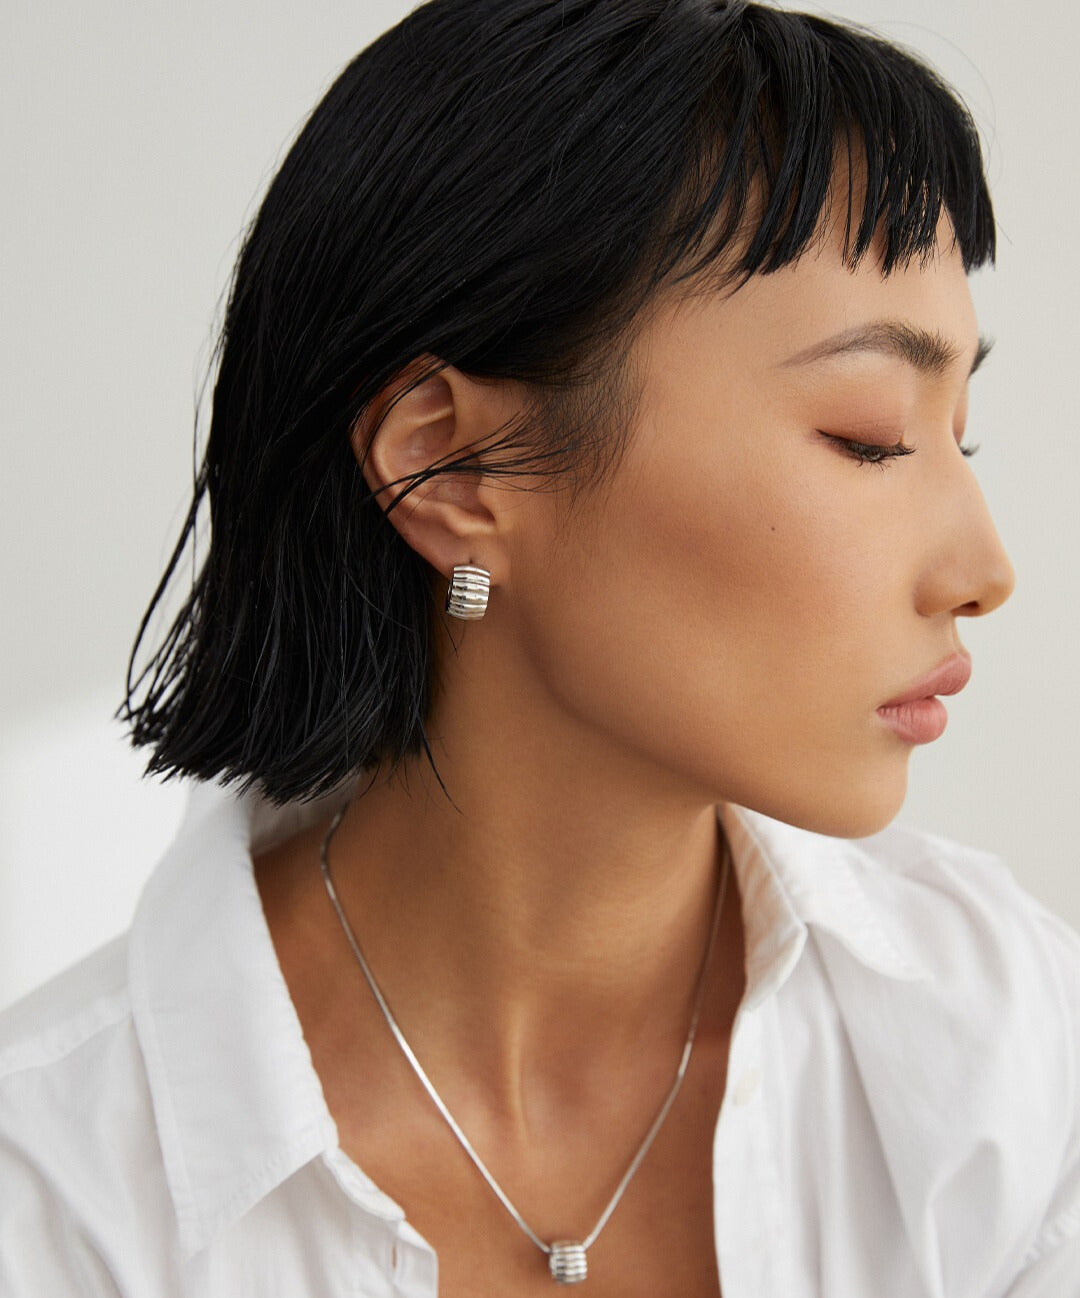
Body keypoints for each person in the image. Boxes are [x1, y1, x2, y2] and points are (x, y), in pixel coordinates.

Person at [1, 0, 1077, 1293]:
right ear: (449, 465)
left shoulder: (1003, 1054)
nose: (986, 569)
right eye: (871, 435)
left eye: (966, 435)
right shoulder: (55, 1198)